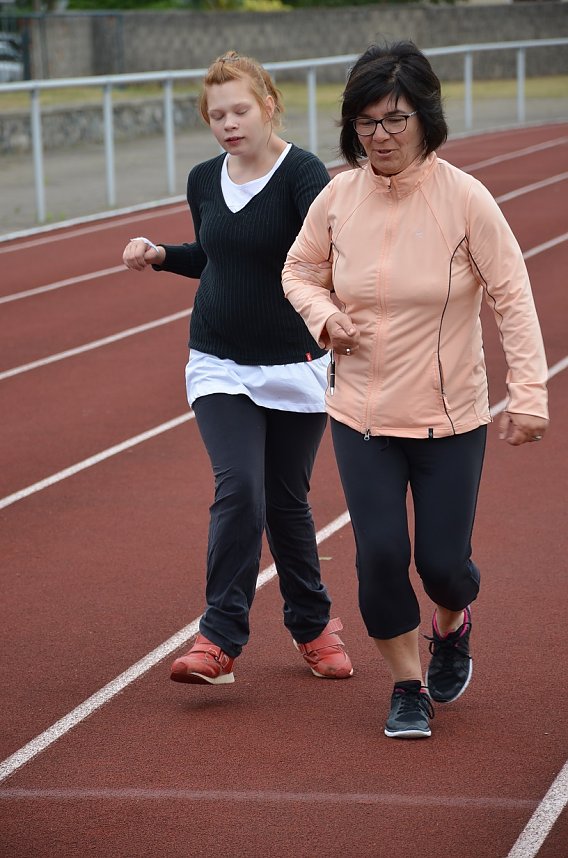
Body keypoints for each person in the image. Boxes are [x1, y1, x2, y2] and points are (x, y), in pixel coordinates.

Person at [282, 41, 549, 738]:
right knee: (378, 558)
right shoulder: (338, 197)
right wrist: (324, 315)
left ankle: (453, 622)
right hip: (361, 415)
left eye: (395, 119)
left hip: (449, 418)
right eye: (367, 121)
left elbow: (513, 297)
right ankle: (407, 686)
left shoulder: (466, 200)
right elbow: (298, 270)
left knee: (442, 566)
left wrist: (529, 393)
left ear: (426, 118)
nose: (381, 135)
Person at [122, 51, 353, 686]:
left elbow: (324, 258)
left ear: (268, 106)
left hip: (295, 362)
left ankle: (312, 624)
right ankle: (219, 639)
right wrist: (161, 254)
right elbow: (214, 257)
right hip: (218, 360)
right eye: (216, 115)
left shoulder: (303, 173)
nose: (228, 123)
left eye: (240, 110)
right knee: (241, 490)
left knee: (287, 502)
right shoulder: (203, 179)